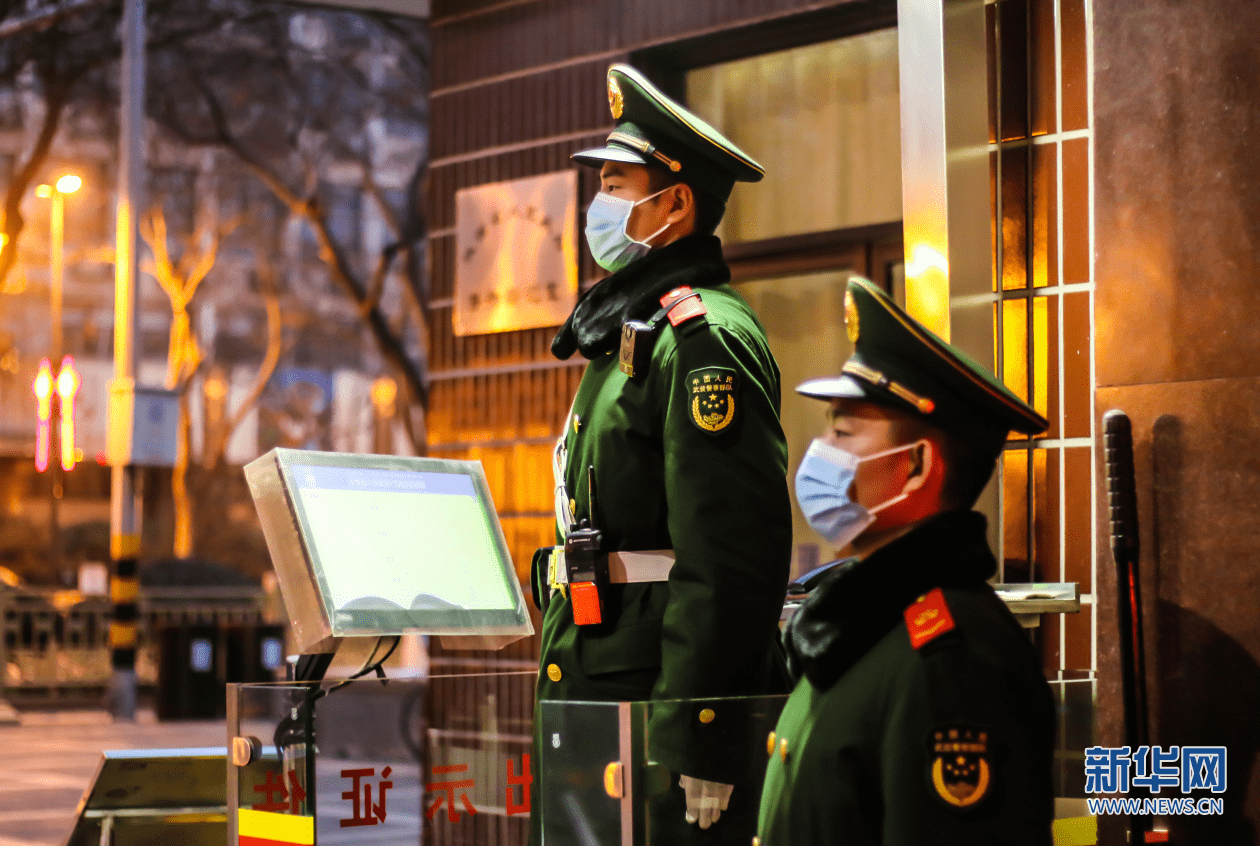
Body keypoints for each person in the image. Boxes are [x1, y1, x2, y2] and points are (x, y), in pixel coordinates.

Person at [530, 64, 793, 843]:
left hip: (659, 708)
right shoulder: (625, 337)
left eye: (617, 184)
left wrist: (701, 730)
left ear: (675, 203)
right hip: (604, 688)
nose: (599, 205)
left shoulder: (702, 339)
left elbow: (730, 556)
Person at [755, 277, 1056, 845]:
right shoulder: (861, 625)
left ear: (916, 467)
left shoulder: (949, 659)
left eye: (843, 433)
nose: (820, 455)